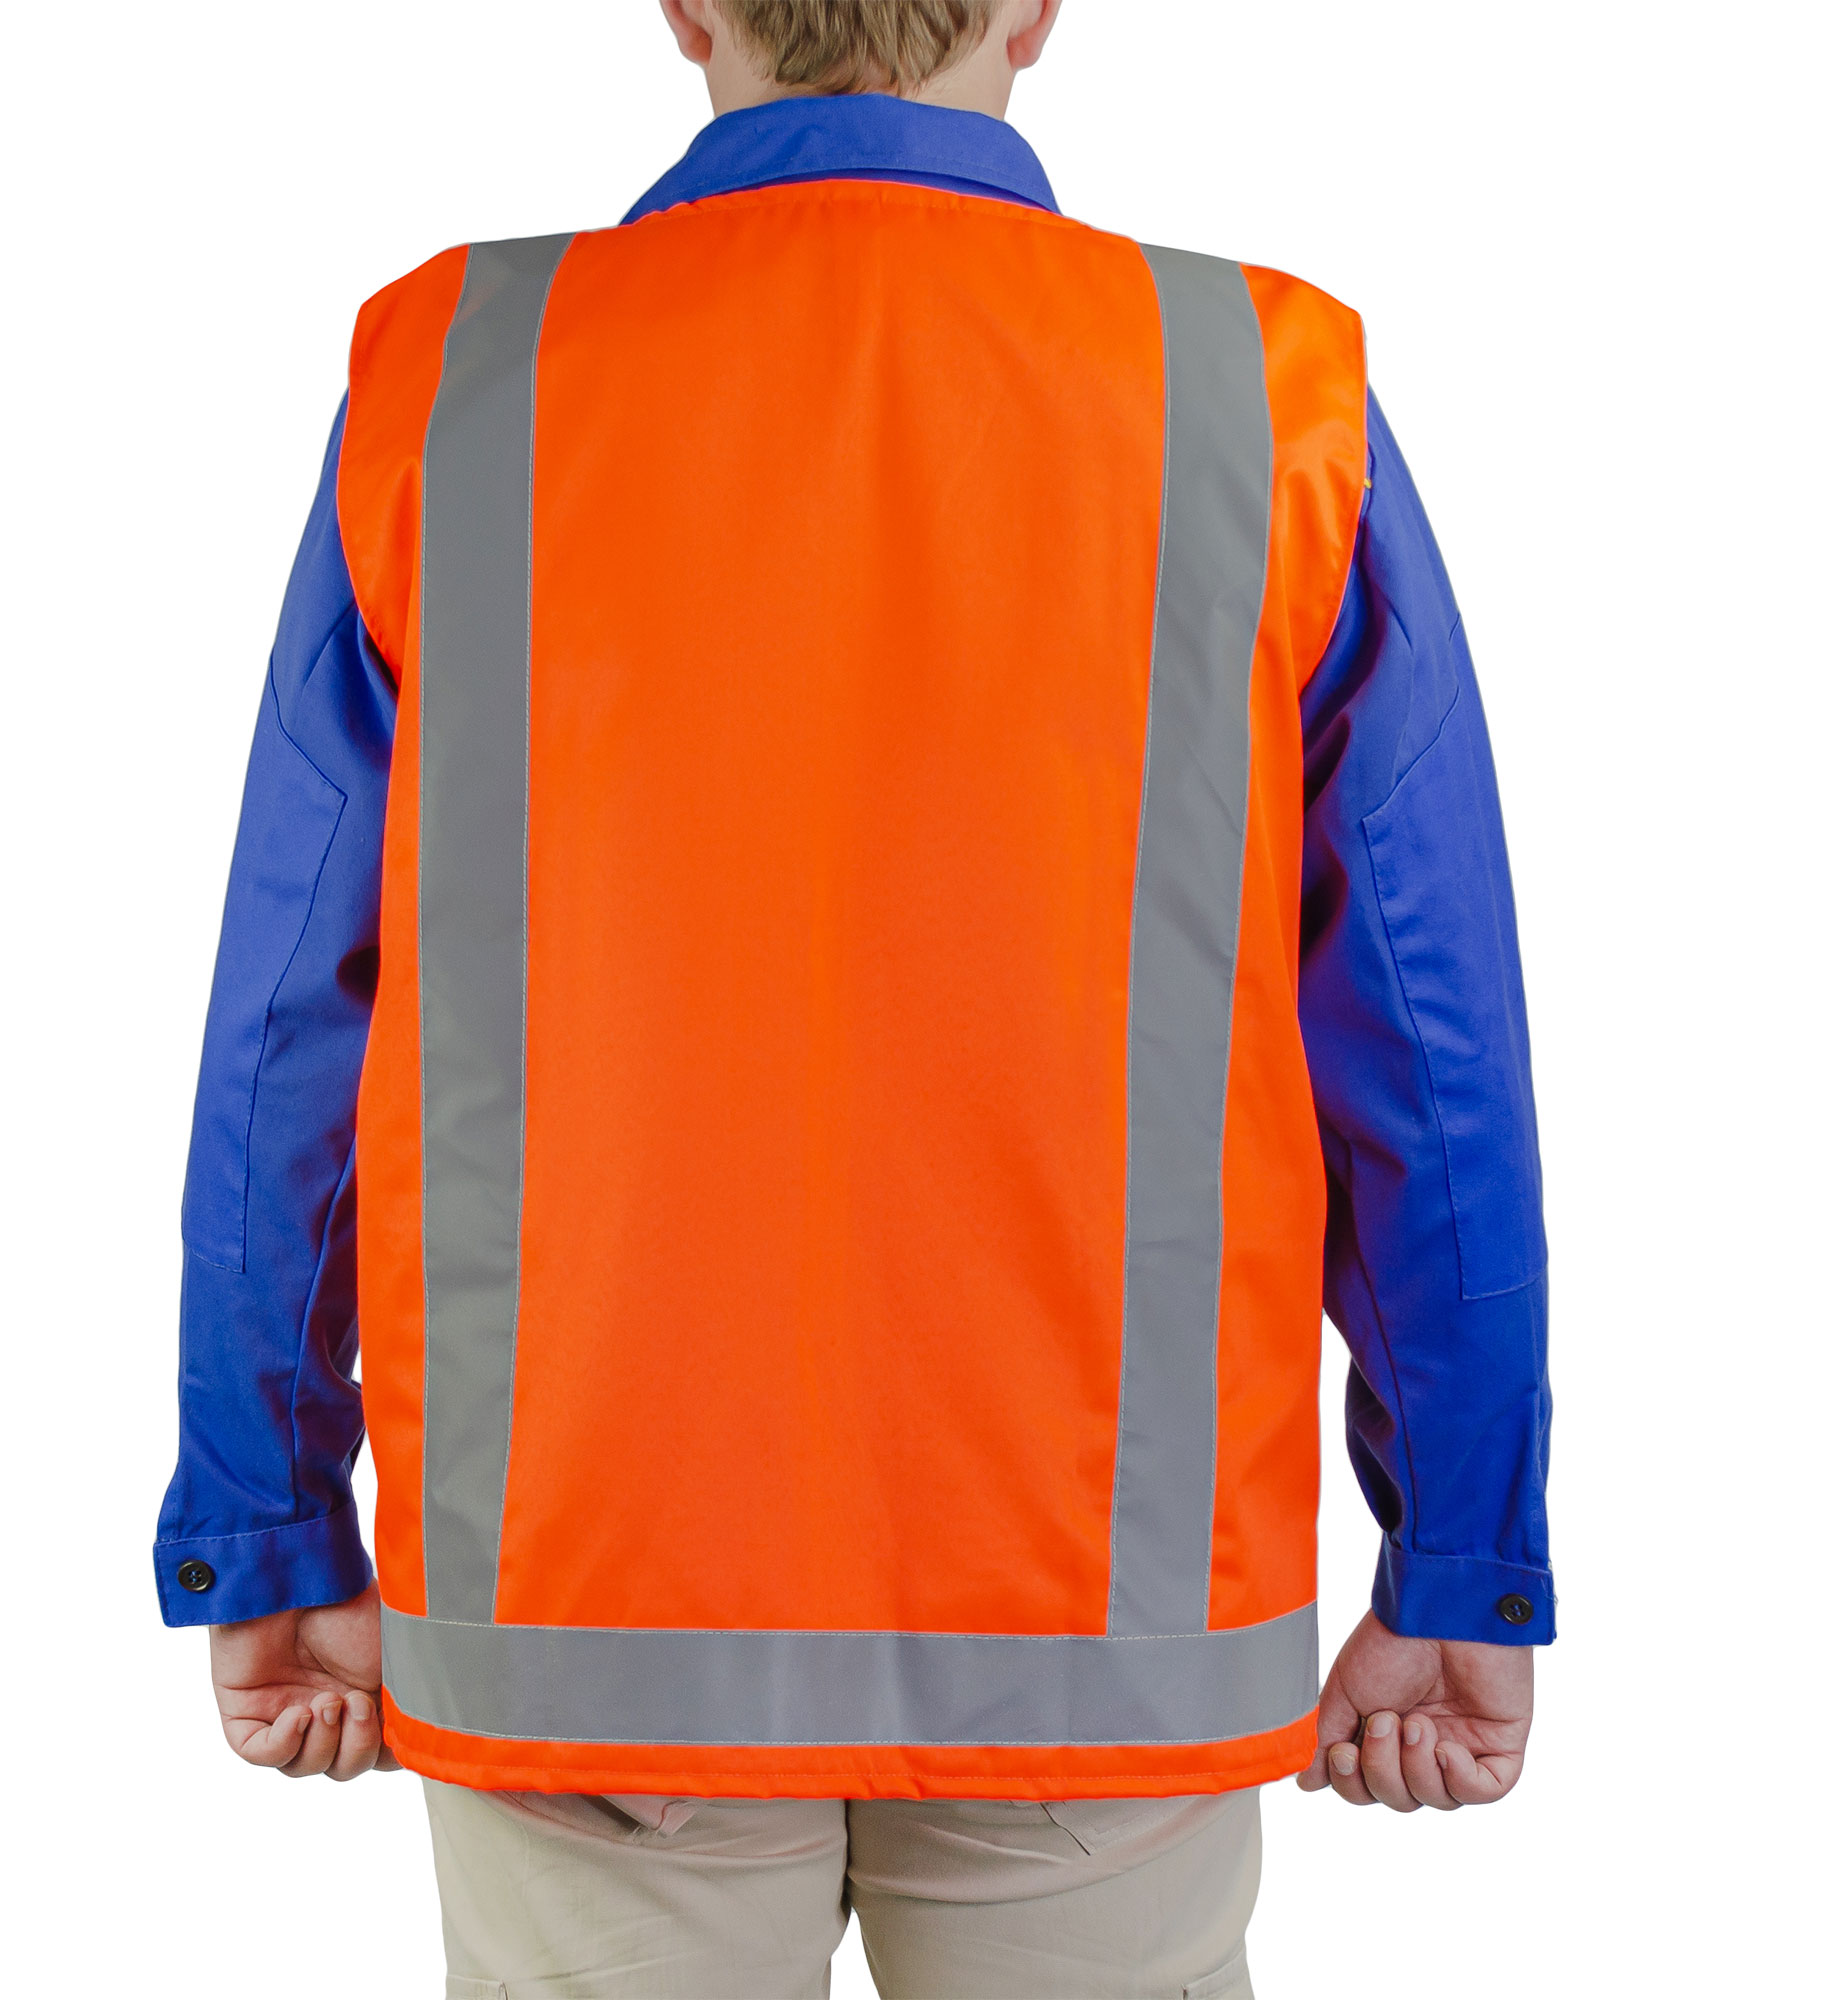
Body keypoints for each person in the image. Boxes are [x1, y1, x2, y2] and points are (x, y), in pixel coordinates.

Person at [155, 2, 1555, 1992]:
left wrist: (271, 1518)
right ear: (1037, 9)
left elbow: (293, 1013)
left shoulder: (459, 372)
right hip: (1107, 1637)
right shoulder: (1251, 386)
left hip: (579, 1614)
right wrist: (1463, 1557)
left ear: (685, 8)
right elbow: (1429, 1042)